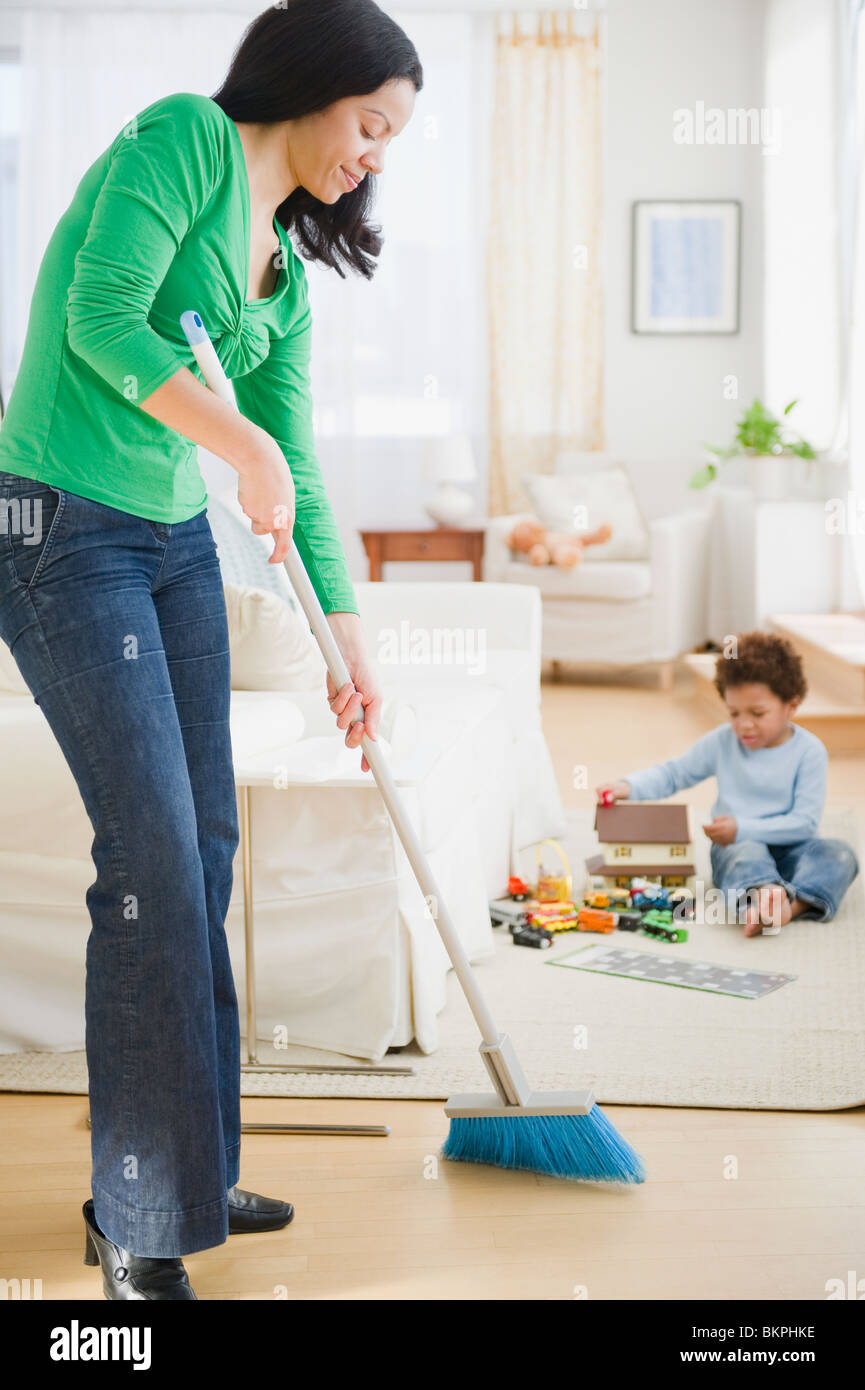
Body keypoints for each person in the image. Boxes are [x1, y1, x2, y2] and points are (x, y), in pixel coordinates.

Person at [0, 0, 421, 1300]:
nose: (372, 155)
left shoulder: (283, 272)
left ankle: (186, 1165)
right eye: (370, 124)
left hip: (171, 539)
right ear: (315, 84)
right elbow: (100, 322)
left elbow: (291, 453)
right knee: (150, 860)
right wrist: (233, 447)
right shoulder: (182, 140)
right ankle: (138, 1216)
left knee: (209, 851)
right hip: (60, 525)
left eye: (391, 140)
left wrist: (347, 640)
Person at [596, 631, 859, 938]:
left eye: (758, 713)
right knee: (746, 853)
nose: (744, 724)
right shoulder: (722, 742)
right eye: (734, 713)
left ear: (792, 705)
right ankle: (764, 895)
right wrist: (628, 786)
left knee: (841, 854)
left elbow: (804, 823)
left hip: (795, 850)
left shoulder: (809, 751)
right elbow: (674, 773)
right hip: (739, 850)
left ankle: (792, 904)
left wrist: (742, 827)